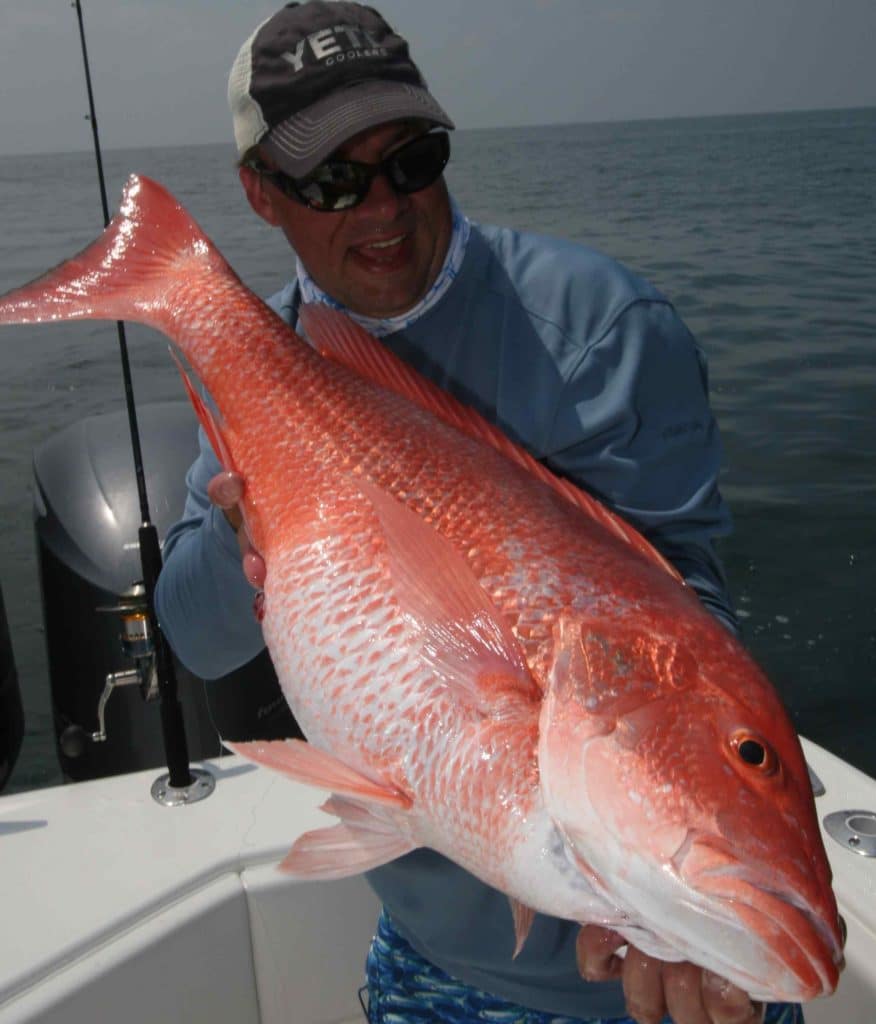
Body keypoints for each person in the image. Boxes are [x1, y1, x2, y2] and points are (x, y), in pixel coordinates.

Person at [154, 3, 799, 1022]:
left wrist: (680, 874)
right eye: (333, 179)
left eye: (412, 159)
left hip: (652, 963)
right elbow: (190, 630)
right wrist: (258, 528)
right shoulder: (260, 366)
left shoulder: (599, 328)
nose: (384, 207)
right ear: (260, 196)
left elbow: (681, 628)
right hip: (432, 960)